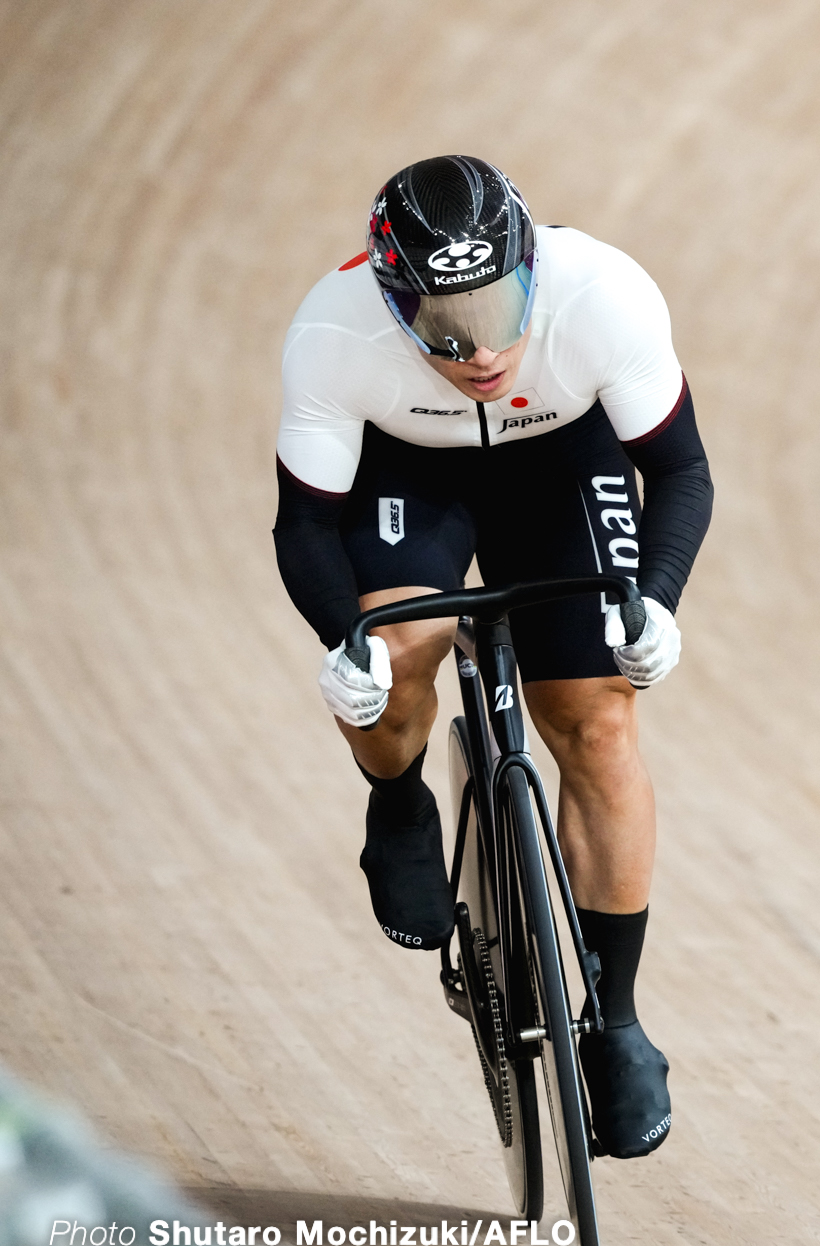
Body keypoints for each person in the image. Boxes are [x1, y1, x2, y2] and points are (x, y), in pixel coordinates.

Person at [270, 155, 711, 1159]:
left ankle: (620, 1017)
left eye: (501, 307)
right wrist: (345, 643)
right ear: (392, 303)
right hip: (408, 472)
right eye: (442, 326)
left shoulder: (602, 294)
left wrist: (660, 602)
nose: (480, 350)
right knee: (400, 651)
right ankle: (398, 799)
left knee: (598, 720)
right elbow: (305, 524)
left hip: (561, 463)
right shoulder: (335, 332)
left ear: (533, 269)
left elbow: (679, 470)